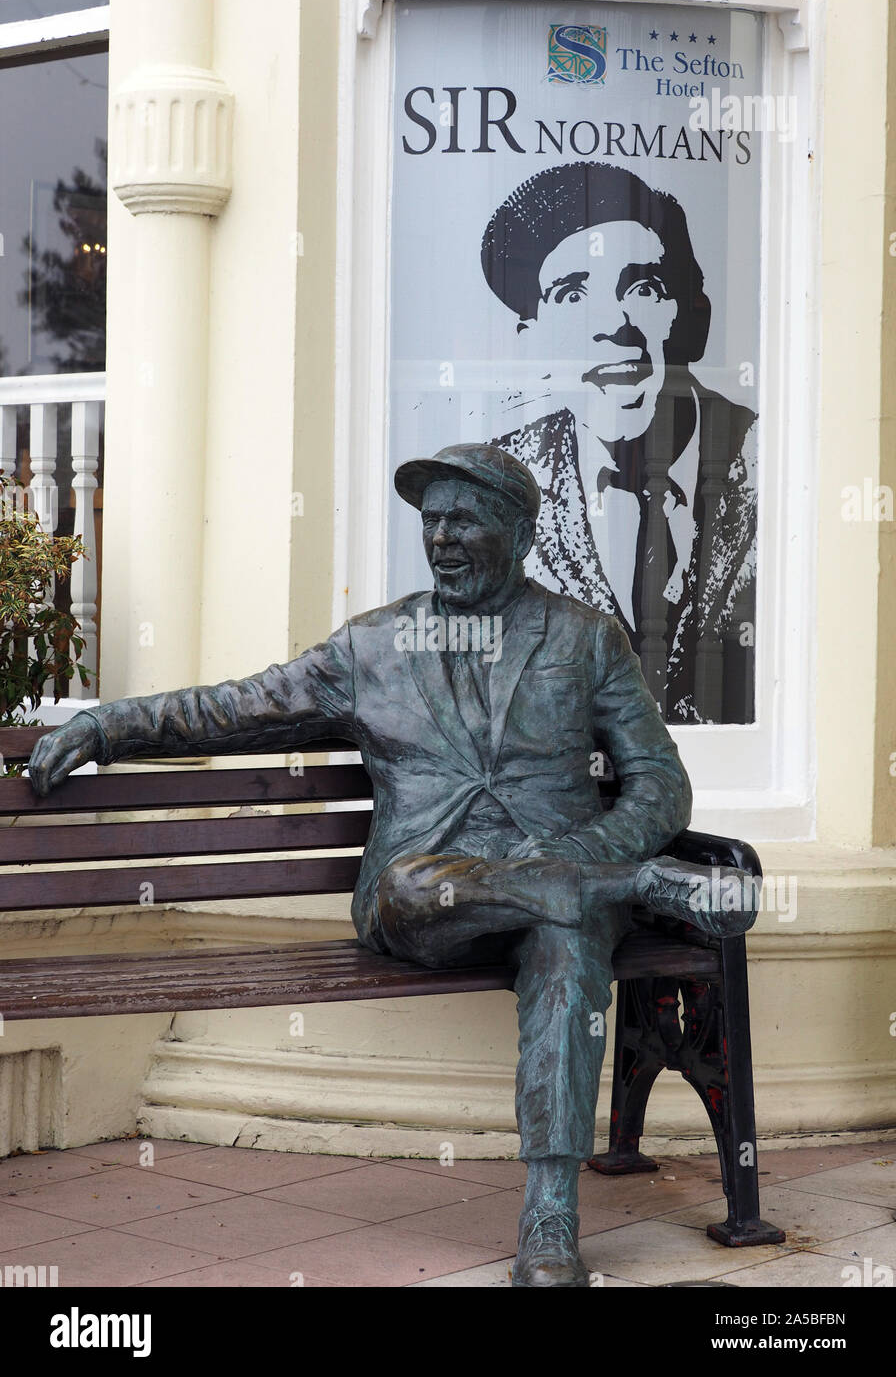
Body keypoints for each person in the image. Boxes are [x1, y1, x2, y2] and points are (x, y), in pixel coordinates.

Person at [29, 443, 759, 1287]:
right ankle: (632, 886)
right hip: (424, 902)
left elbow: (661, 785)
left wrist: (581, 852)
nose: (442, 537)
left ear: (520, 533)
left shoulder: (586, 640)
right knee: (420, 883)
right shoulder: (373, 646)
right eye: (431, 520)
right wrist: (108, 724)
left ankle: (550, 1215)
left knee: (566, 934)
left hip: (561, 882)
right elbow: (233, 708)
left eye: (464, 519)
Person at [481, 161, 757, 724]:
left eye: (644, 288)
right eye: (571, 295)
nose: (614, 323)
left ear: (686, 315)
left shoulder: (766, 458)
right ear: (532, 341)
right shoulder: (504, 479)